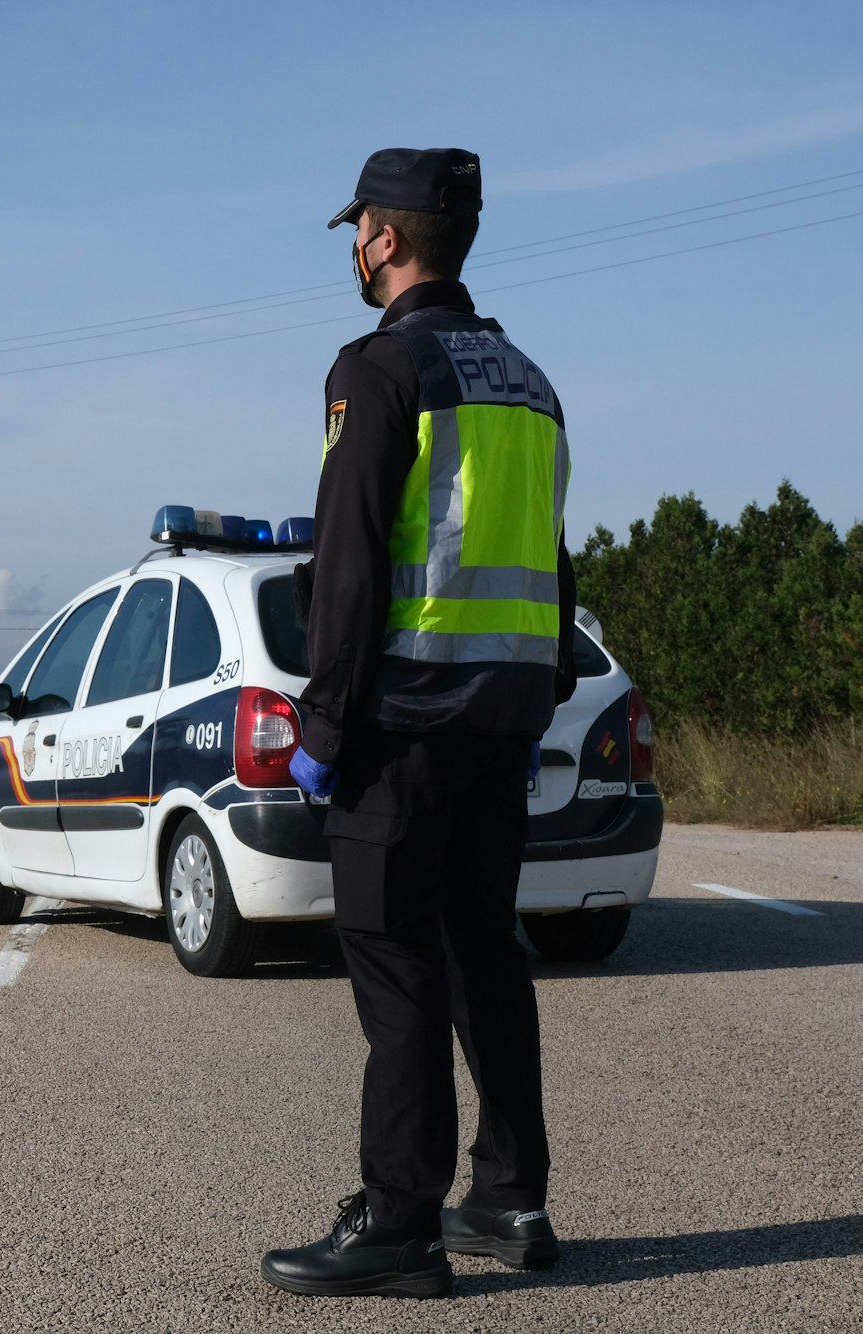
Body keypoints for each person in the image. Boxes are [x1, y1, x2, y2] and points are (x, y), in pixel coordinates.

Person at [260, 148, 578, 1299]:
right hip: (502, 723)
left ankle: (400, 1220)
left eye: (359, 230)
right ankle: (509, 1195)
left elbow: (347, 573)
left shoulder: (377, 369)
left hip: (401, 727)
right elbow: (553, 558)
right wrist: (531, 698)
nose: (354, 246)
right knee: (486, 952)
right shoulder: (533, 382)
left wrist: (325, 729)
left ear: (387, 240)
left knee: (396, 969)